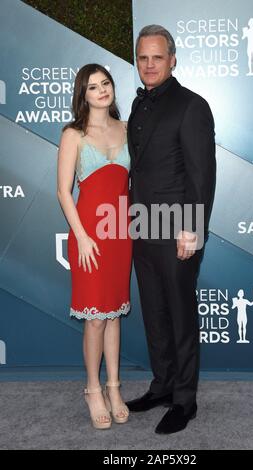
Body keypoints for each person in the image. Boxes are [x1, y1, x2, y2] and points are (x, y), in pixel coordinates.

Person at [126, 25, 216, 434]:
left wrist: (191, 230)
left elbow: (200, 177)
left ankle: (185, 399)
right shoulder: (137, 104)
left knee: (180, 316)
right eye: (143, 57)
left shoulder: (191, 106)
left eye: (157, 57)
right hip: (142, 227)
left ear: (173, 59)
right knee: (155, 314)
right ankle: (161, 386)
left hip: (178, 229)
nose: (149, 64)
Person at [57, 64, 132, 429]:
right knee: (96, 319)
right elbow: (63, 191)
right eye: (92, 87)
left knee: (114, 313)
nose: (101, 91)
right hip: (89, 236)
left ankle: (114, 387)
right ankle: (92, 389)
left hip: (120, 234)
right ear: (82, 95)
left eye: (105, 83)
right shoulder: (73, 134)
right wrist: (83, 237)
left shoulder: (129, 129)